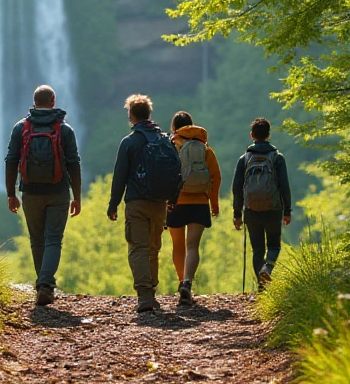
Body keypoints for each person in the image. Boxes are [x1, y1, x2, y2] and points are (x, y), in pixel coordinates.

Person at [6, 84, 82, 307]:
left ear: (34, 101)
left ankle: (42, 285)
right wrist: (77, 196)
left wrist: (11, 193)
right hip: (58, 192)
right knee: (53, 239)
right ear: (53, 101)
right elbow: (74, 164)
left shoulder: (21, 128)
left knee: (36, 240)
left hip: (29, 192)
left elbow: (11, 161)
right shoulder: (65, 129)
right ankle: (45, 285)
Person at [107, 94, 183, 313]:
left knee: (138, 247)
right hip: (160, 202)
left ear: (131, 116)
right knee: (153, 247)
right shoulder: (164, 140)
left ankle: (145, 296)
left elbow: (119, 176)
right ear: (149, 114)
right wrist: (173, 200)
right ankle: (152, 291)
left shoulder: (129, 142)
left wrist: (113, 204)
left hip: (136, 202)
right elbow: (177, 172)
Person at [167, 111, 221, 307]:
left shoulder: (172, 148)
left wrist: (165, 201)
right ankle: (188, 284)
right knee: (192, 246)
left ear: (174, 129)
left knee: (178, 245)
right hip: (199, 203)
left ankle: (181, 282)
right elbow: (216, 177)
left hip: (176, 202)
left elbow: (167, 175)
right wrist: (214, 204)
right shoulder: (206, 151)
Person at [232, 117, 292, 289]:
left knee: (258, 250)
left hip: (251, 211)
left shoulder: (244, 159)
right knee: (274, 245)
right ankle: (267, 268)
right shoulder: (277, 158)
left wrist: (237, 214)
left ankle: (261, 286)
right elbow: (284, 187)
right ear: (268, 135)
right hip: (273, 209)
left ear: (252, 135)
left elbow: (237, 189)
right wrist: (287, 210)